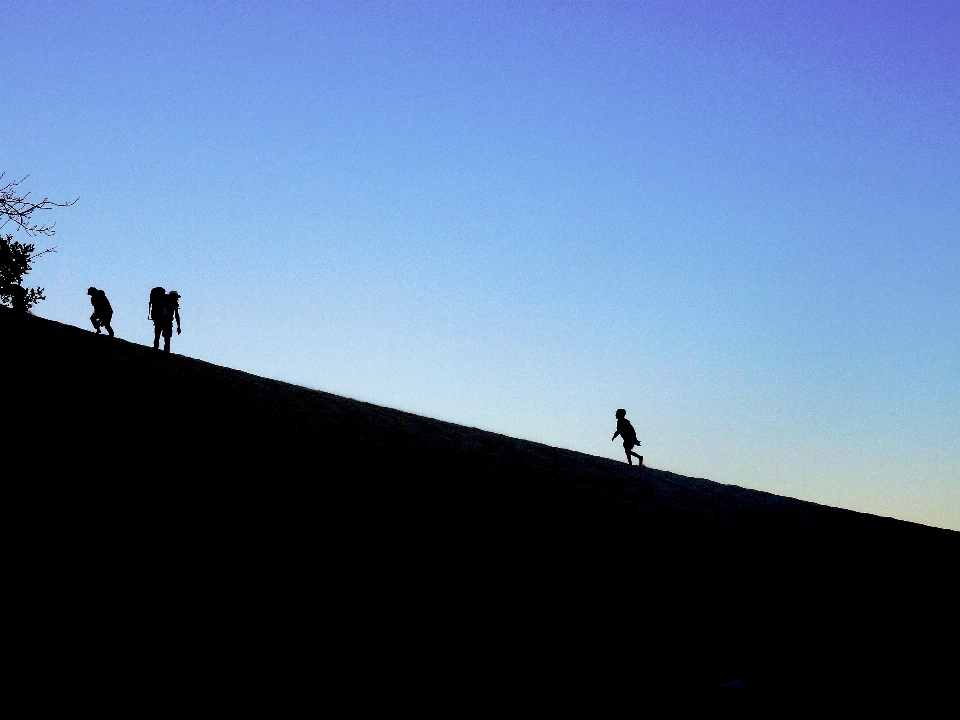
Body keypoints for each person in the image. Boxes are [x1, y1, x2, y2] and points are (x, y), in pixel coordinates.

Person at [149, 287, 181, 353]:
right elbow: (177, 315)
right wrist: (178, 326)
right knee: (166, 338)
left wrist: (179, 326)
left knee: (158, 336)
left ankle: (156, 351)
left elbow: (176, 315)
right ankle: (164, 353)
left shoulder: (164, 300)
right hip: (166, 322)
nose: (176, 299)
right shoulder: (173, 303)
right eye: (176, 297)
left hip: (160, 321)